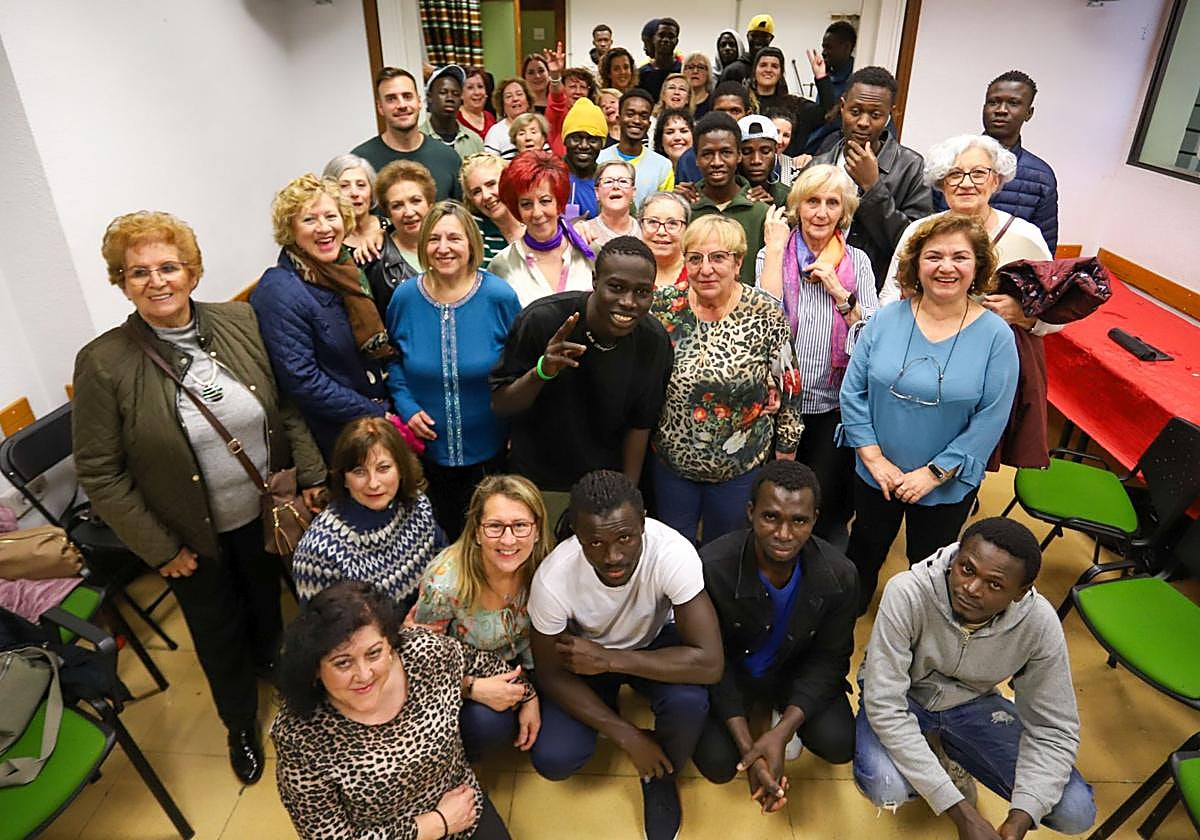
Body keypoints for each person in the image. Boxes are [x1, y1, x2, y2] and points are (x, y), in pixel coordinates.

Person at [74, 211, 327, 784]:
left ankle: (276, 672)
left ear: (191, 271)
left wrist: (311, 473)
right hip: (189, 537)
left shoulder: (241, 320)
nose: (157, 281)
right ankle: (239, 722)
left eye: (169, 267)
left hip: (263, 513)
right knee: (216, 632)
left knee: (266, 606)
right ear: (121, 282)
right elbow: (100, 472)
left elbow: (283, 406)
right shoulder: (104, 362)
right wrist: (160, 549)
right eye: (139, 272)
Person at [855, 517, 1096, 839]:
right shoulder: (908, 591)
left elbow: (1054, 728)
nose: (970, 588)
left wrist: (1021, 818)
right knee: (887, 786)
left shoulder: (1039, 623)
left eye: (994, 585)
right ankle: (934, 756)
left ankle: (946, 750)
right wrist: (960, 812)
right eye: (966, 569)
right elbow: (885, 704)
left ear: (1021, 593)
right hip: (904, 698)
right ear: (955, 558)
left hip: (973, 702)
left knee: (1075, 811)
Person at [837, 214, 1019, 615]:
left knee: (930, 567)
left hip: (946, 483)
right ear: (916, 264)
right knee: (863, 549)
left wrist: (934, 473)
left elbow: (991, 418)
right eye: (934, 256)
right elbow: (853, 392)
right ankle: (844, 622)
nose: (946, 267)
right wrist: (874, 459)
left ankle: (915, 630)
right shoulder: (885, 319)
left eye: (960, 257)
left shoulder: (997, 337)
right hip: (876, 472)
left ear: (978, 265)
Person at [527, 470, 724, 840]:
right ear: (577, 535)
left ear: (643, 523)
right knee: (555, 757)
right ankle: (611, 711)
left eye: (625, 537)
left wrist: (610, 659)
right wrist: (628, 735)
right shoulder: (553, 578)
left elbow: (710, 663)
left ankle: (660, 776)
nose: (613, 556)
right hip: (585, 657)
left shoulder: (673, 552)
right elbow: (550, 674)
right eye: (595, 543)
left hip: (648, 643)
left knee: (689, 703)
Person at [273, 580, 522, 839]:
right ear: (315, 667)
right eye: (343, 663)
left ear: (390, 646)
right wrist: (435, 824)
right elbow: (328, 836)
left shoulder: (424, 653)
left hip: (462, 810)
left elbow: (484, 664)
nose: (364, 675)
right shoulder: (298, 736)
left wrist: (527, 698)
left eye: (373, 654)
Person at [696, 461, 858, 812]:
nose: (784, 534)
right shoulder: (711, 567)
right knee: (717, 765)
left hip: (792, 671)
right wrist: (750, 752)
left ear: (815, 519)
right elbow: (711, 662)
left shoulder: (840, 575)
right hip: (733, 674)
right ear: (750, 512)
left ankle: (777, 716)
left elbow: (830, 660)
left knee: (839, 743)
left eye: (799, 521)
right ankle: (759, 718)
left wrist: (781, 734)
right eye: (771, 517)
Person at [490, 237, 672, 529]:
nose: (628, 302)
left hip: (605, 487)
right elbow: (501, 404)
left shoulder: (653, 340)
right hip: (541, 483)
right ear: (595, 280)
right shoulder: (543, 320)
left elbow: (640, 426)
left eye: (642, 292)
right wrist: (542, 371)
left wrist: (627, 496)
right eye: (616, 287)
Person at [650, 215, 801, 546]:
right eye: (695, 258)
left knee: (727, 553)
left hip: (739, 467)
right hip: (672, 464)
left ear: (738, 263)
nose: (705, 269)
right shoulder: (663, 306)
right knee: (673, 552)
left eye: (718, 257)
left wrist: (786, 452)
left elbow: (789, 384)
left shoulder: (764, 311)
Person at [384, 202, 520, 539]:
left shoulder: (498, 296)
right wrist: (407, 407)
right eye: (434, 239)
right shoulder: (404, 298)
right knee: (438, 541)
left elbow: (519, 366)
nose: (443, 248)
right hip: (425, 456)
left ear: (471, 243)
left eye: (454, 238)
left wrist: (518, 428)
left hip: (492, 453)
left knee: (488, 538)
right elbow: (393, 360)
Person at [757, 164, 878, 542]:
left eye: (832, 203)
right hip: (777, 401)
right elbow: (762, 320)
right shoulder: (771, 254)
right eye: (812, 201)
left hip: (832, 404)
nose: (821, 212)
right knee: (773, 497)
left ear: (844, 211)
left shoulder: (858, 262)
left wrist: (839, 292)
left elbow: (871, 338)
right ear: (797, 206)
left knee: (820, 502)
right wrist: (775, 249)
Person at [412, 475, 553, 760]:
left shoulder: (547, 563)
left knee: (557, 753)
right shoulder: (445, 582)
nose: (508, 540)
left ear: (537, 531)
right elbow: (420, 661)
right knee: (486, 726)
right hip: (469, 677)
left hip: (532, 669)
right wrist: (471, 688)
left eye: (520, 526)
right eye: (495, 527)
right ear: (477, 532)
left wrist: (530, 693)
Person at [251, 174, 391, 458]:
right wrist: (376, 413)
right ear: (290, 230)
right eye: (309, 220)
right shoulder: (279, 290)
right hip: (337, 439)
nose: (324, 228)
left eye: (331, 216)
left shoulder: (345, 269)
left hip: (372, 418)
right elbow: (303, 381)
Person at [879, 134, 1053, 322]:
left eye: (978, 173)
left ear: (995, 181)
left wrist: (1022, 316)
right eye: (955, 174)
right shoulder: (919, 231)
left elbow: (1053, 319)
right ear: (942, 183)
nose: (966, 183)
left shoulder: (1026, 236)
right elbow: (889, 296)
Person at [291, 416, 439, 611]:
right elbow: (322, 627)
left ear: (401, 469)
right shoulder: (318, 551)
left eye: (383, 468)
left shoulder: (418, 506)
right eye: (359, 472)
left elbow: (444, 569)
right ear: (344, 478)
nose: (373, 483)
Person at [811, 66, 931, 292]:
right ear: (842, 106)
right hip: (817, 289)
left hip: (879, 292)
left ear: (890, 115)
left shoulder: (910, 166)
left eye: (875, 115)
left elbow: (916, 244)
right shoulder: (819, 165)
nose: (863, 122)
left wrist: (873, 187)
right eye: (855, 111)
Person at [487, 151, 596, 306]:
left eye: (545, 201)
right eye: (526, 204)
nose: (537, 213)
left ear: (559, 202)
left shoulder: (589, 250)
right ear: (517, 209)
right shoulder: (502, 265)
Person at [351, 66, 463, 201]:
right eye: (391, 99)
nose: (402, 105)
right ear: (380, 107)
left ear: (419, 101)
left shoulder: (448, 158)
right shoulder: (361, 162)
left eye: (407, 96)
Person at [978, 70, 1059, 253]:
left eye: (1013, 103)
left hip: (1009, 268)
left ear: (1029, 113)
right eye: (993, 102)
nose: (1001, 110)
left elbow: (1043, 250)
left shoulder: (1040, 177)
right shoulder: (953, 161)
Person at [689, 112, 769, 288]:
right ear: (696, 159)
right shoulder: (685, 208)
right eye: (707, 154)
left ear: (739, 155)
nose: (717, 162)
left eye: (726, 152)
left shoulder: (761, 212)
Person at [364, 160, 436, 317]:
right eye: (397, 205)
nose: (408, 212)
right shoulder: (375, 259)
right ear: (388, 213)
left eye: (416, 201)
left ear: (430, 204)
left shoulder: (453, 248)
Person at [597, 89, 676, 212]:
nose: (637, 121)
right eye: (630, 114)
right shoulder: (599, 160)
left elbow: (665, 210)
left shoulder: (663, 166)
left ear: (649, 123)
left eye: (643, 116)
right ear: (618, 118)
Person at [752, 47, 835, 156]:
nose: (768, 69)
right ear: (754, 70)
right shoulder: (743, 104)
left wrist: (821, 77)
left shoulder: (795, 105)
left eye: (775, 66)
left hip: (787, 164)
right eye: (763, 65)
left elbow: (827, 112)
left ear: (781, 73)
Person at [673, 81, 750, 187]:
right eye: (720, 111)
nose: (727, 117)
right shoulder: (689, 159)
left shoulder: (756, 152)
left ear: (748, 114)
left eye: (735, 111)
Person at [803, 21, 858, 154]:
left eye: (829, 48)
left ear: (846, 47)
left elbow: (831, 116)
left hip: (831, 149)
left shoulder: (855, 81)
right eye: (823, 47)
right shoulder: (827, 75)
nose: (824, 53)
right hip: (812, 145)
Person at [460, 153, 524, 262]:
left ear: (508, 181)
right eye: (476, 192)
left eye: (491, 184)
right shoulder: (475, 234)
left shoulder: (535, 218)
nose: (486, 196)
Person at [322, 154, 383, 258]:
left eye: (361, 185)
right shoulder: (327, 239)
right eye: (344, 186)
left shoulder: (393, 229)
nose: (354, 193)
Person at [422, 65, 485, 159]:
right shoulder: (417, 140)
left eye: (456, 94)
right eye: (443, 92)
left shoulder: (474, 140)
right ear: (429, 97)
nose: (450, 98)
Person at [561, 97, 609, 222]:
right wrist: (566, 227)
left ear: (602, 144)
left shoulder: (609, 182)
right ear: (565, 140)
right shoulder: (549, 177)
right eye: (576, 139)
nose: (584, 146)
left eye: (592, 140)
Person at [576, 160, 640, 247]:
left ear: (633, 192)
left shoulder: (646, 231)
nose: (616, 186)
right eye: (608, 181)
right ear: (597, 192)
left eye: (623, 181)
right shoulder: (583, 232)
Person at [639, 191, 690, 288]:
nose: (661, 232)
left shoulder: (697, 272)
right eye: (653, 222)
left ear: (686, 229)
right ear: (641, 225)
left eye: (672, 223)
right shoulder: (628, 271)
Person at [737, 114, 789, 206]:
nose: (756, 160)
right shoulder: (722, 193)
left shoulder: (788, 196)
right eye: (746, 152)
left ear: (776, 150)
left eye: (765, 152)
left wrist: (770, 209)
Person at [484, 77, 534, 161]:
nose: (515, 99)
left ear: (528, 101)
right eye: (508, 96)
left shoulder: (538, 125)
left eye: (519, 94)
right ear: (502, 105)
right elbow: (489, 164)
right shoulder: (495, 132)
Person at [638, 19, 681, 102]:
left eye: (671, 36)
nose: (665, 39)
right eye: (661, 35)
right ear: (653, 39)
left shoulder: (683, 71)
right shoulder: (642, 74)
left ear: (676, 41)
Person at [458, 66, 497, 140]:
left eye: (480, 86)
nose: (477, 92)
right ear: (461, 94)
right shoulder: (455, 119)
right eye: (470, 88)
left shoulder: (490, 118)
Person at [683, 53, 714, 118]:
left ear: (708, 73)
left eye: (701, 67)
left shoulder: (714, 102)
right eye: (690, 67)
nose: (695, 71)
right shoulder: (679, 101)